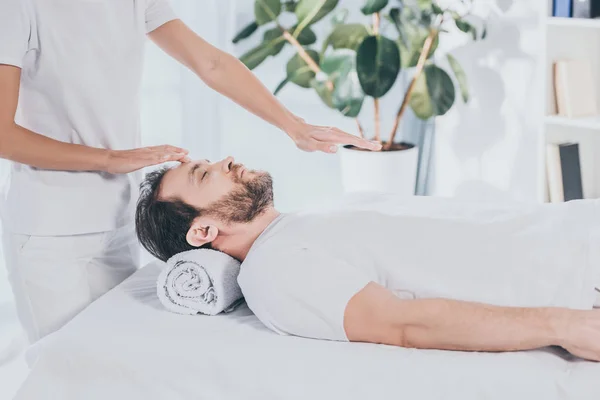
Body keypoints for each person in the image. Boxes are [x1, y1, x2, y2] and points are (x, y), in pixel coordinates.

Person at [0, 1, 380, 343]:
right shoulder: (19, 9)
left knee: (116, 363)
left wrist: (293, 126)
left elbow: (211, 64)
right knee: (61, 370)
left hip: (117, 219)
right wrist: (110, 159)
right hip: (51, 229)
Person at [135, 157, 600, 362]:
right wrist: (565, 324)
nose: (226, 161)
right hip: (580, 279)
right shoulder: (274, 271)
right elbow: (404, 324)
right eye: (204, 174)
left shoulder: (307, 218)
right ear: (203, 231)